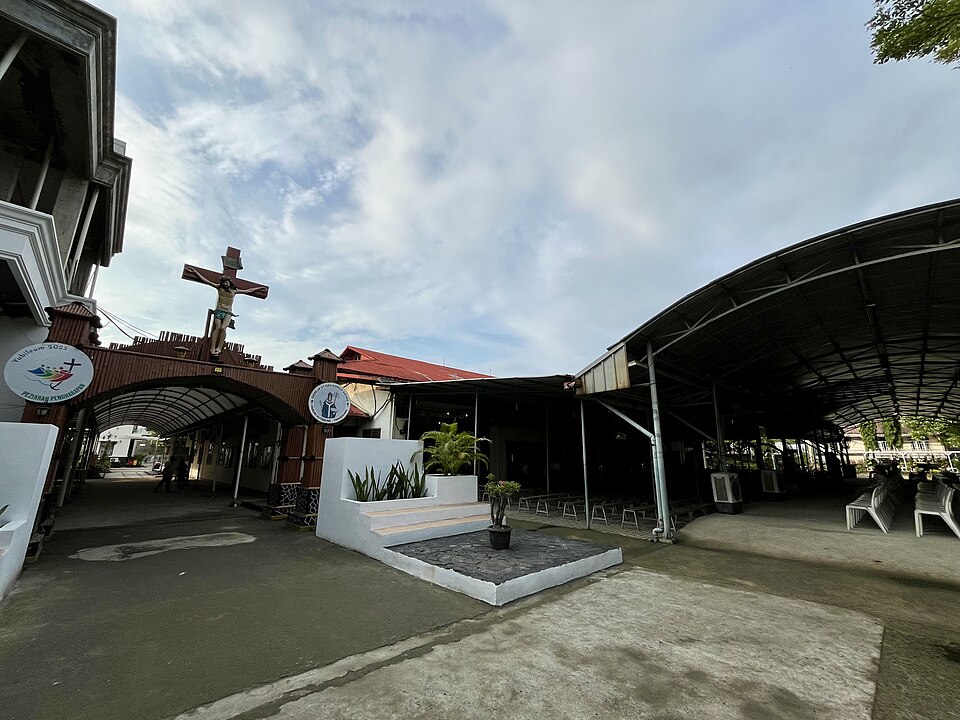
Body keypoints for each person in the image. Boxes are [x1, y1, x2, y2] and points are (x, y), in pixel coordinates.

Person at [184, 267, 266, 356]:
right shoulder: (219, 288)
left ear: (229, 282)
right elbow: (206, 281)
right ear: (222, 283)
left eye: (226, 282)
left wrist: (258, 289)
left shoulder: (234, 291)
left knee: (223, 328)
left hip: (228, 312)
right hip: (219, 311)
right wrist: (195, 272)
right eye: (224, 282)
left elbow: (247, 291)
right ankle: (212, 347)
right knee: (218, 327)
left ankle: (219, 347)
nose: (225, 283)